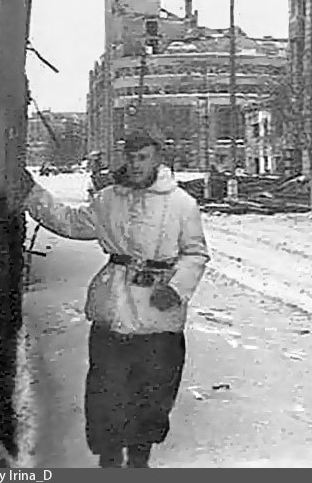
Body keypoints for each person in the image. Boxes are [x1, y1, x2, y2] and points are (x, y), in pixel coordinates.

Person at [18, 131, 210, 468]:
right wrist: (31, 194)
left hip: (159, 315)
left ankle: (139, 460)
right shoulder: (108, 200)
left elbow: (195, 253)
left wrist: (177, 289)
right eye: (131, 157)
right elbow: (70, 222)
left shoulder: (182, 204)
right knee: (106, 393)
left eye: (143, 157)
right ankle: (108, 459)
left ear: (157, 158)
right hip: (113, 309)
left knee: (153, 392)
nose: (136, 165)